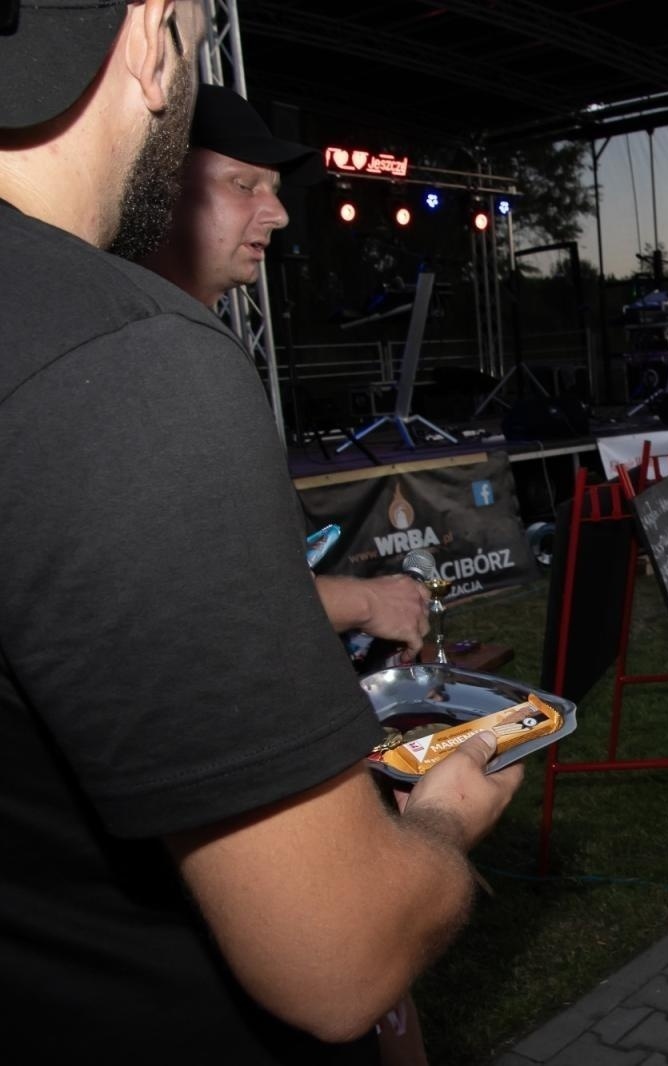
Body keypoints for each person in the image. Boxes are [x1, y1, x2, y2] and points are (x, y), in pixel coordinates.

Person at [0, 5, 520, 1061]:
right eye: (194, 40)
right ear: (150, 38)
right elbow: (340, 961)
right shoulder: (127, 363)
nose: (275, 214)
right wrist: (440, 821)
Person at [136, 84, 431, 653]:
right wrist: (365, 602)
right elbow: (187, 597)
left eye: (273, 190)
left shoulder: (186, 340)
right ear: (158, 187)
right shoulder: (144, 355)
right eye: (243, 185)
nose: (277, 213)